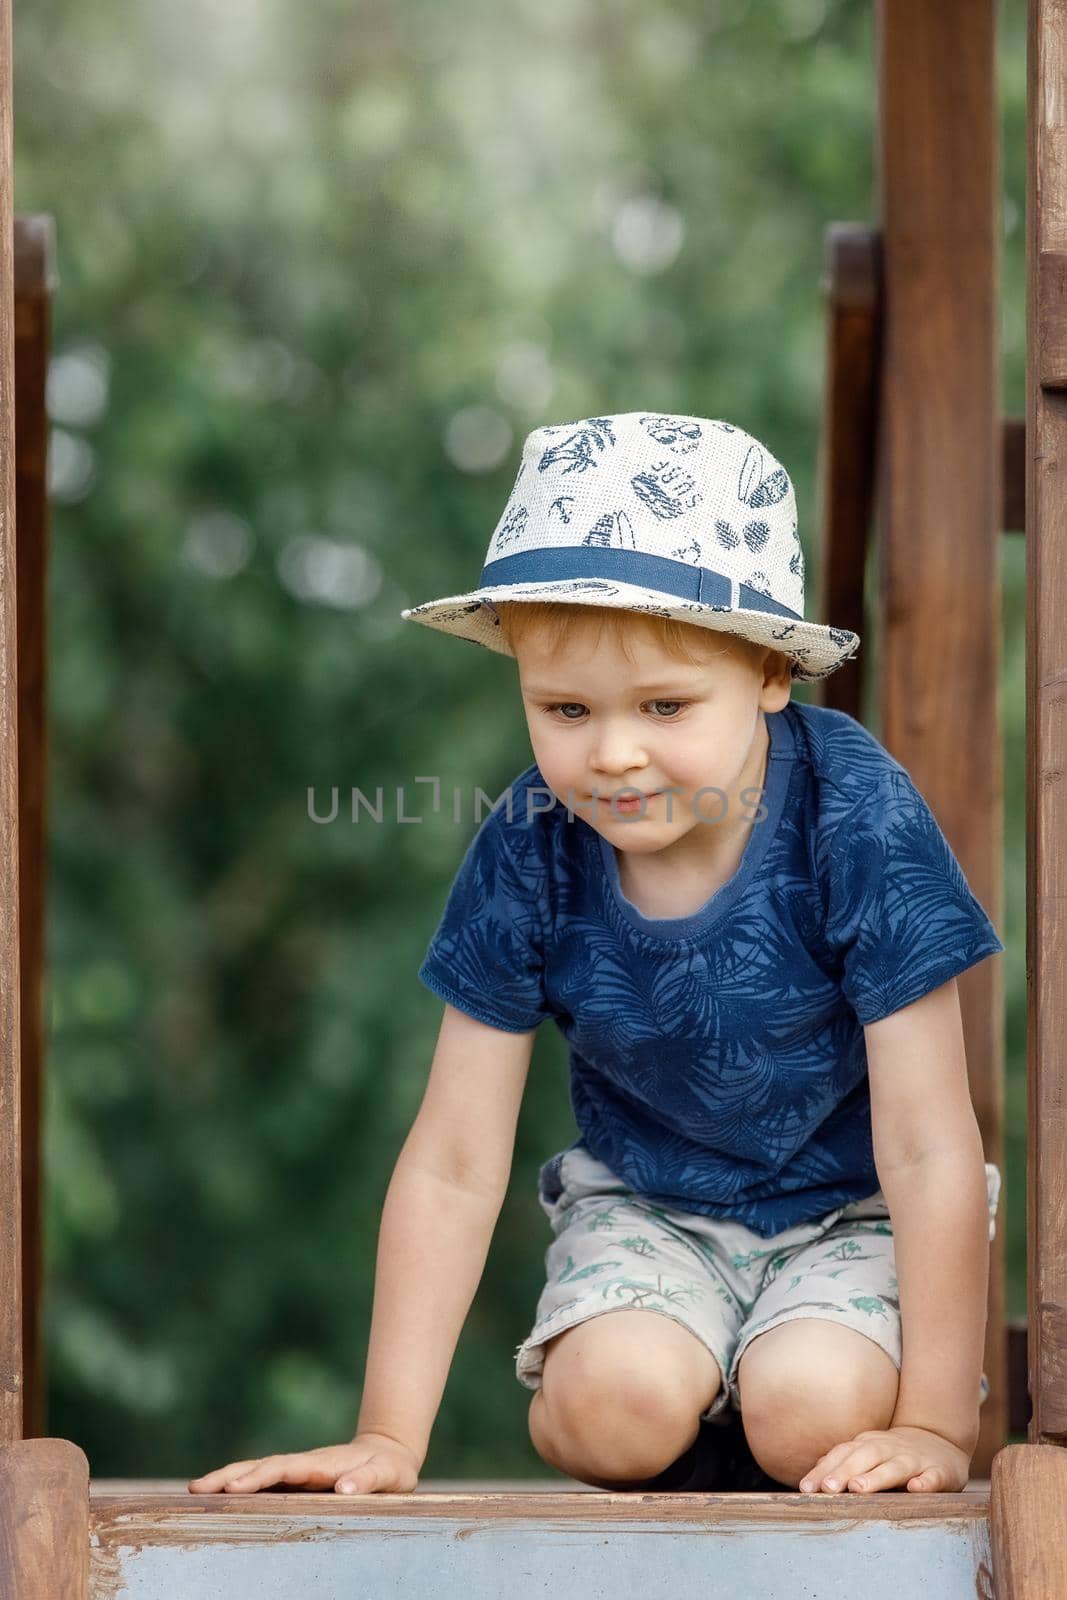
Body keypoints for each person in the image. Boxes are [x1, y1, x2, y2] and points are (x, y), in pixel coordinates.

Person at [188, 412, 1003, 1499]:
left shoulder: (853, 815)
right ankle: (683, 1411)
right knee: (606, 1412)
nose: (612, 752)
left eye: (664, 705)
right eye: (564, 708)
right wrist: (386, 1434)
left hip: (848, 1212)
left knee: (809, 1413)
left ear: (767, 671)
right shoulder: (531, 845)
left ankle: (766, 1412)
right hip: (649, 1209)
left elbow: (927, 1144)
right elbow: (452, 1159)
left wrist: (938, 1426)